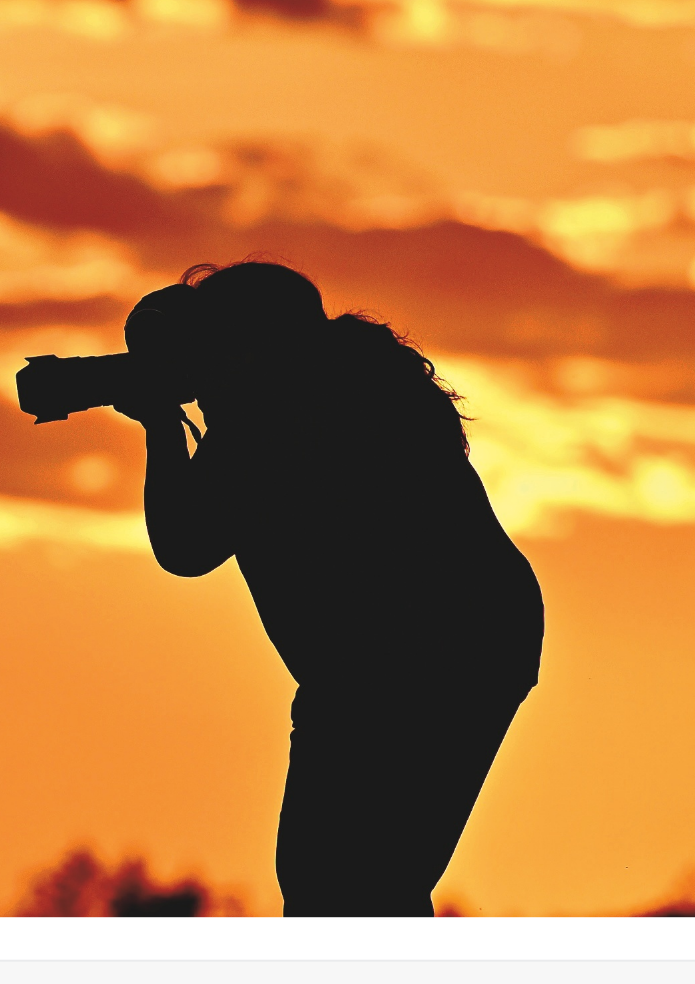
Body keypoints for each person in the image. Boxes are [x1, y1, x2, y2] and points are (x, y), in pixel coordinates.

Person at [120, 260, 543, 916]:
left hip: (388, 658)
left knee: (332, 879)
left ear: (243, 342)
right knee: (376, 880)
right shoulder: (344, 382)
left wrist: (159, 425)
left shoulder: (269, 404)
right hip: (480, 637)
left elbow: (185, 545)